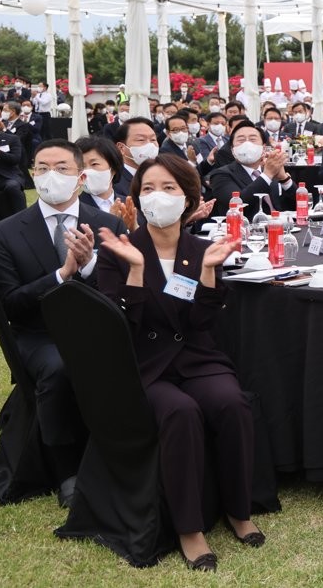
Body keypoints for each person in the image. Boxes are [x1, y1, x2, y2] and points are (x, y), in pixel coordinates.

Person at [96, 154, 262, 572]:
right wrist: (135, 273)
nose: (158, 197)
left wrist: (208, 274)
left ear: (189, 197)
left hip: (196, 358)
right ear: (136, 198)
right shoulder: (120, 251)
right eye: (148, 188)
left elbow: (201, 323)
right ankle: (190, 529)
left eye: (169, 188)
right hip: (146, 364)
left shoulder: (202, 248)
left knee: (232, 403)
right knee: (181, 412)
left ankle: (239, 510)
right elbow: (119, 330)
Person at [0, 139, 127, 507]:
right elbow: (12, 304)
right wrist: (62, 274)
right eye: (42, 168)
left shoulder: (106, 222)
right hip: (39, 334)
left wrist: (90, 266)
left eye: (61, 168)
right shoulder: (6, 232)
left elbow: (121, 290)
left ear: (80, 177)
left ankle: (125, 454)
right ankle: (67, 470)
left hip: (97, 328)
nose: (51, 176)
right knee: (60, 368)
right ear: (32, 174)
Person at [208, 121, 297, 218]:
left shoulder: (269, 170)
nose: (247, 144)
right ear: (232, 150)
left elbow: (298, 204)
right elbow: (239, 204)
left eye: (252, 139)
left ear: (263, 147)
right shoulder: (221, 175)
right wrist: (267, 175)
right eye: (241, 140)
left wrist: (284, 179)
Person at [75, 135, 128, 215]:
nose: (87, 171)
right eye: (82, 166)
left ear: (113, 168)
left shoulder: (129, 204)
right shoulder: (75, 207)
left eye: (94, 164)